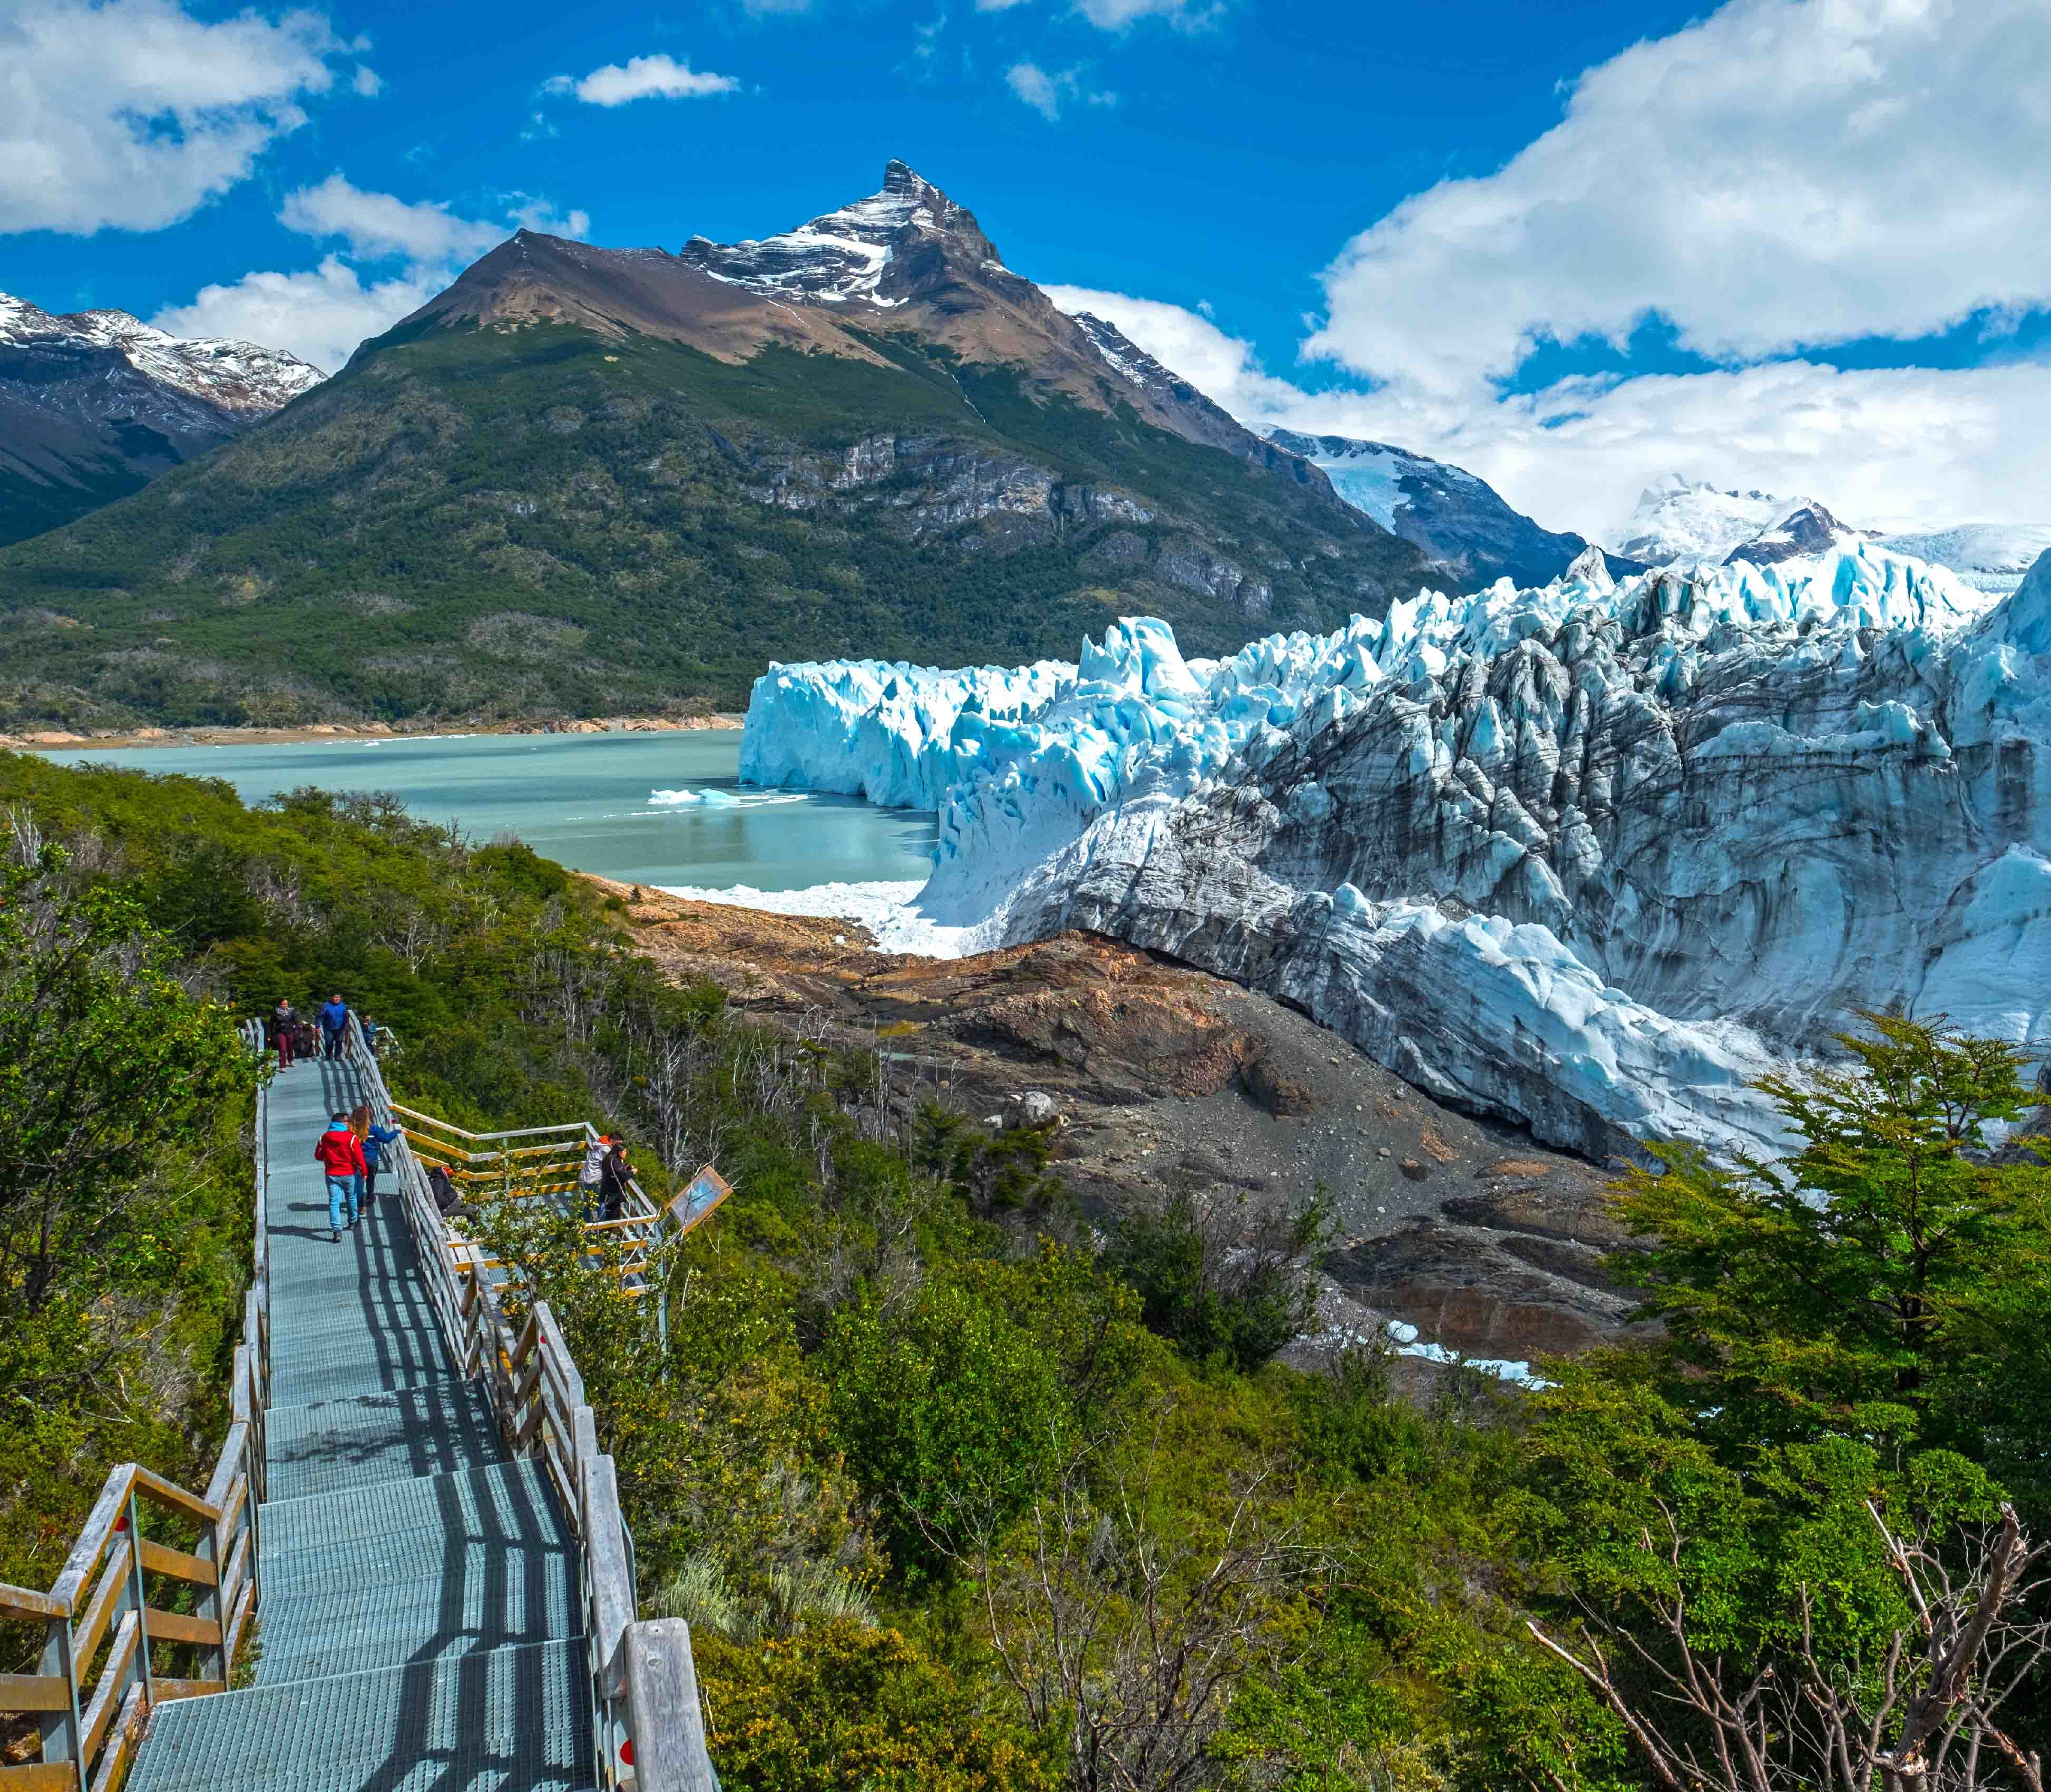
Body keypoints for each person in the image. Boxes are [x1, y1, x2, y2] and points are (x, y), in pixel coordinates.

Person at [313, 1111, 367, 1241]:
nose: (349, 1123)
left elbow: (318, 1156)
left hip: (332, 1175)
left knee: (334, 1202)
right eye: (347, 1121)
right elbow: (359, 1158)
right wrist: (364, 1172)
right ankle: (353, 1221)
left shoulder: (324, 1138)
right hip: (348, 1173)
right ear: (342, 1123)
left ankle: (337, 1230)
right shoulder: (351, 1138)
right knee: (351, 1199)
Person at [353, 1105, 402, 1212]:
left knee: (359, 1182)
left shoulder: (352, 1129)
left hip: (358, 1160)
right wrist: (397, 1132)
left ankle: (360, 1206)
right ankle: (369, 1198)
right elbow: (386, 1139)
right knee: (370, 1179)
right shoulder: (374, 1129)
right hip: (371, 1159)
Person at [578, 1132, 611, 1220]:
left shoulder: (598, 1145)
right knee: (601, 1203)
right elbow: (613, 1163)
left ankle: (584, 1223)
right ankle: (602, 1225)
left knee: (587, 1203)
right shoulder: (606, 1149)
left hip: (585, 1177)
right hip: (593, 1179)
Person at [599, 1139, 634, 1223]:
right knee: (613, 1220)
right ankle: (608, 1231)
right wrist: (632, 1172)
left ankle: (605, 1230)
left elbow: (615, 1172)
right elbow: (623, 1177)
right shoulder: (616, 1161)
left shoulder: (608, 1158)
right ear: (620, 1153)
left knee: (606, 1218)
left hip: (606, 1192)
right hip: (613, 1196)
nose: (626, 1153)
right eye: (625, 1152)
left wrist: (627, 1168)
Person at [318, 992, 350, 1061]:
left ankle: (338, 1056)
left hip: (340, 1028)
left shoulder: (343, 1005)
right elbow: (320, 1016)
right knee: (329, 1042)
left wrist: (346, 1027)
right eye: (336, 997)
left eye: (339, 997)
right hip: (328, 1028)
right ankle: (329, 1055)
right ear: (332, 998)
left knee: (339, 1041)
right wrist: (318, 1026)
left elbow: (346, 1017)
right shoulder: (326, 1006)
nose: (337, 999)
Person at [272, 997, 297, 1070]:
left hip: (290, 1031)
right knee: (282, 1049)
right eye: (283, 1004)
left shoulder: (291, 1011)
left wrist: (296, 1026)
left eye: (286, 1004)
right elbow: (271, 1023)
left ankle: (291, 1060)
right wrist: (269, 1035)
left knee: (290, 1046)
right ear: (280, 1005)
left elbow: (295, 1021)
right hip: (280, 1032)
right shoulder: (276, 1012)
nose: (285, 1006)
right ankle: (283, 1066)